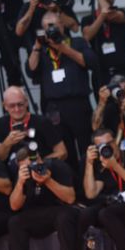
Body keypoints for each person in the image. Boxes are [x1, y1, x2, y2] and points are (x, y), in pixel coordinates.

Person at [27, 11, 97, 181]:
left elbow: (90, 62)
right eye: (47, 27)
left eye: (55, 26)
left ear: (62, 25)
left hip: (78, 103)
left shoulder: (77, 42)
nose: (52, 30)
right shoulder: (42, 49)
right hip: (54, 108)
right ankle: (72, 184)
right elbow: (31, 71)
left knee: (85, 146)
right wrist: (37, 45)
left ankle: (90, 181)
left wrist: (63, 48)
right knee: (65, 150)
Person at [5, 149, 77, 250]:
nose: (35, 166)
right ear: (20, 167)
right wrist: (20, 183)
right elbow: (14, 206)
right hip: (36, 215)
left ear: (40, 158)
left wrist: (48, 180)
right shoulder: (22, 176)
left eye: (36, 161)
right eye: (28, 166)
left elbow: (70, 198)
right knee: (15, 222)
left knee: (65, 216)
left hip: (59, 209)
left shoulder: (57, 167)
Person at [0, 86, 67, 165]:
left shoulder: (42, 122)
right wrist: (7, 143)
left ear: (26, 102)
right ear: (5, 106)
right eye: (12, 106)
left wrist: (39, 163)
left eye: (20, 104)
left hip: (39, 171)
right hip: (12, 174)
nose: (17, 109)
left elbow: (62, 152)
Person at [81, 0, 125, 86]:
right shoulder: (87, 19)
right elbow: (87, 36)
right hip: (101, 74)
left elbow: (108, 12)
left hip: (121, 71)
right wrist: (101, 15)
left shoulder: (120, 13)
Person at [15, 0, 79, 51]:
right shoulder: (27, 8)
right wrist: (31, 9)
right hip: (38, 53)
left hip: (62, 51)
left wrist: (56, 10)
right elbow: (19, 31)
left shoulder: (59, 4)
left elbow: (75, 28)